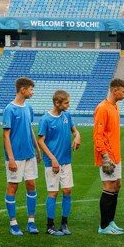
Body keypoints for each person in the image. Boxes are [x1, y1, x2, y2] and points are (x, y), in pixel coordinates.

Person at [37, 89, 81, 236]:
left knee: (67, 191)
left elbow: (74, 130)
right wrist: (53, 158)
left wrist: (78, 136)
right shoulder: (46, 120)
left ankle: (64, 223)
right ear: (57, 103)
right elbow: (41, 141)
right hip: (52, 163)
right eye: (66, 102)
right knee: (53, 193)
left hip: (66, 161)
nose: (68, 105)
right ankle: (50, 226)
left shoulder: (67, 116)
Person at [3, 77, 41, 236]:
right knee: (13, 186)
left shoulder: (28, 108)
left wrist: (37, 149)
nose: (32, 92)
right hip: (16, 156)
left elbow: (29, 128)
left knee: (31, 184)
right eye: (31, 89)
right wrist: (11, 158)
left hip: (29, 154)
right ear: (22, 89)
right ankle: (13, 223)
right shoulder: (9, 109)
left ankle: (31, 221)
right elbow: (6, 135)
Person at [94, 78, 124, 235]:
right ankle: (103, 225)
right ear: (115, 91)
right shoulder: (102, 108)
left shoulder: (115, 106)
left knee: (116, 186)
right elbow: (98, 136)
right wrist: (105, 157)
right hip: (108, 155)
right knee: (108, 187)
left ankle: (110, 221)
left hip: (117, 155)